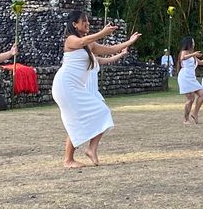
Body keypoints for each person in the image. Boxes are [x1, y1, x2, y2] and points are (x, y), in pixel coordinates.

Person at [52, 10, 141, 168]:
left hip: (75, 87)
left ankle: (91, 150)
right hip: (65, 85)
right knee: (76, 120)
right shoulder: (70, 40)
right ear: (75, 25)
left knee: (101, 111)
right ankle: (68, 160)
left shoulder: (89, 45)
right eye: (83, 21)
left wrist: (129, 42)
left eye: (88, 20)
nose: (87, 23)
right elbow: (82, 42)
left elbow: (110, 49)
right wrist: (103, 32)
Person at [176, 36, 203, 124]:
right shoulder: (184, 52)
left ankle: (195, 113)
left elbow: (200, 62)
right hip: (185, 77)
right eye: (192, 42)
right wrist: (194, 54)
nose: (194, 44)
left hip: (192, 77)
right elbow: (183, 58)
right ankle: (186, 119)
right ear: (188, 43)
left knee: (202, 94)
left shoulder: (192, 54)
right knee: (190, 99)